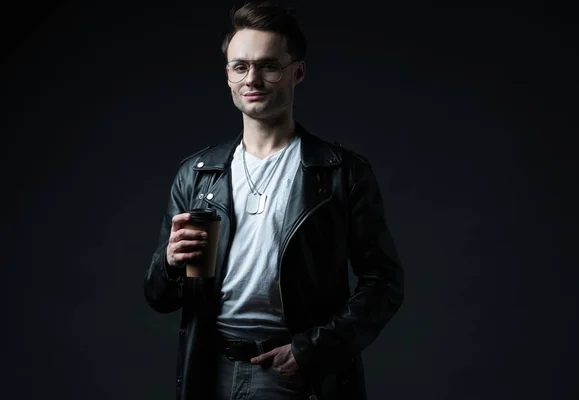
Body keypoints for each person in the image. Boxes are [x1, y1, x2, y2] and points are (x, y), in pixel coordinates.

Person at [143, 1, 404, 399]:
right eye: (240, 66)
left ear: (296, 72)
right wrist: (170, 262)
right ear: (228, 76)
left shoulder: (339, 172)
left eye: (269, 66)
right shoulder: (198, 174)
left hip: (292, 375)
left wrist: (312, 350)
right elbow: (159, 297)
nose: (253, 79)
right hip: (207, 369)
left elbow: (384, 283)